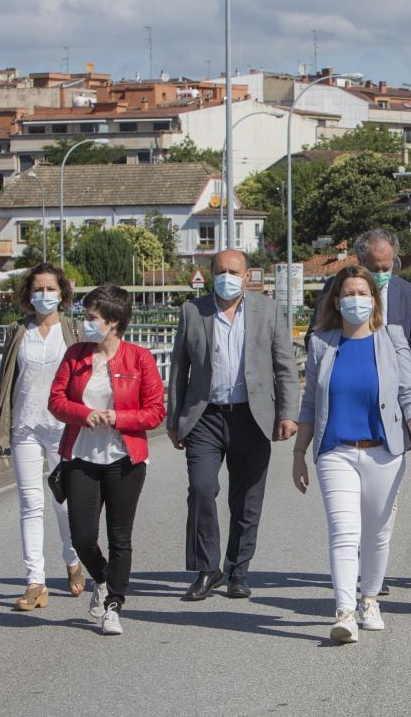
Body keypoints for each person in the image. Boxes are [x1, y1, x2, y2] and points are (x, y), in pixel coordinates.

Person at [292, 265, 411, 644]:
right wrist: (299, 453)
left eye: (362, 293)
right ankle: (345, 611)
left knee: (378, 533)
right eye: (348, 293)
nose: (355, 299)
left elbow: (408, 394)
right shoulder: (321, 343)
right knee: (344, 531)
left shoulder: (393, 337)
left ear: (374, 299)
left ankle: (370, 599)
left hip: (384, 451)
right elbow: (310, 402)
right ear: (337, 301)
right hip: (336, 451)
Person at [167, 249, 299, 601]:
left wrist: (288, 412)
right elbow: (179, 369)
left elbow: (284, 365)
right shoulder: (192, 311)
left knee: (247, 498)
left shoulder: (267, 310)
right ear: (211, 274)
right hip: (204, 416)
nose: (227, 276)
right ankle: (207, 569)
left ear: (246, 276)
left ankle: (238, 570)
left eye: (234, 270)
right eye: (221, 270)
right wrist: (173, 419)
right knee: (201, 489)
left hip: (251, 416)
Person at [48, 284, 165, 635]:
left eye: (92, 317)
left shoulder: (139, 358)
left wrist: (119, 418)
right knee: (82, 536)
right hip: (81, 456)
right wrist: (83, 413)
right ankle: (100, 577)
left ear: (113, 321)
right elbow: (55, 401)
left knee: (120, 536)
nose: (86, 323)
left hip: (125, 458)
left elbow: (156, 411)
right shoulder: (75, 355)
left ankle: (114, 603)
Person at [0, 264, 85, 611]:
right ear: (28, 295)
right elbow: (8, 378)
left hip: (64, 428)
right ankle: (36, 581)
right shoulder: (19, 332)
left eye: (50, 289)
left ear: (62, 293)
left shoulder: (72, 331)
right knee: (30, 504)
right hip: (26, 427)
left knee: (63, 503)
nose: (44, 295)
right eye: (38, 289)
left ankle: (72, 559)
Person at [308, 229, 411, 367]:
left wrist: (408, 358)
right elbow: (314, 334)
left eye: (386, 268)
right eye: (374, 269)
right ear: (360, 261)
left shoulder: (410, 293)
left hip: (394, 376)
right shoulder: (336, 286)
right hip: (346, 369)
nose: (381, 274)